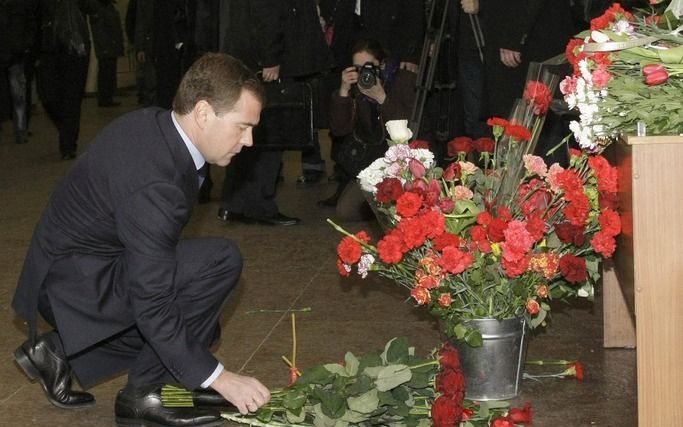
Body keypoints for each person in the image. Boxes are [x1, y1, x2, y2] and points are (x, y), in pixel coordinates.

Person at [12, 53, 271, 426]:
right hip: (73, 284)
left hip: (76, 269)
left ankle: (60, 350)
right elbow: (152, 300)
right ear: (202, 113)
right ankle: (146, 396)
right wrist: (219, 378)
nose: (248, 141)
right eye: (242, 126)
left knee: (198, 330)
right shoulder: (156, 183)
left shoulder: (158, 126)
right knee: (217, 265)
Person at [320, 38, 417, 220]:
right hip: (370, 163)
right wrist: (343, 92)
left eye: (368, 66)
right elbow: (339, 129)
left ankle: (385, 205)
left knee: (399, 212)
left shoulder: (404, 80)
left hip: (401, 162)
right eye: (358, 68)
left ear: (383, 64)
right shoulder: (357, 86)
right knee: (345, 211)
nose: (364, 73)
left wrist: (382, 98)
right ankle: (379, 205)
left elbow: (409, 129)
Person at [35, 0, 98, 160]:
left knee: (72, 98)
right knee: (47, 96)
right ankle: (66, 130)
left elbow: (94, 7)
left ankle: (68, 145)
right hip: (49, 49)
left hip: (75, 50)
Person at [0, 0, 37, 145]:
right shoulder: (20, 5)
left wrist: (26, 44)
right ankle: (20, 131)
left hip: (16, 55)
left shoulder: (21, 5)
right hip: (16, 53)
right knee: (18, 96)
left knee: (18, 96)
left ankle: (21, 131)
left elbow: (31, 25)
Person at [90, 0, 125, 107]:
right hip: (106, 47)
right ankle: (104, 97)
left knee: (109, 72)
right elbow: (99, 31)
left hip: (111, 46)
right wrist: (104, 46)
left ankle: (108, 96)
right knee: (106, 73)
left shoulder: (109, 7)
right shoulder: (99, 8)